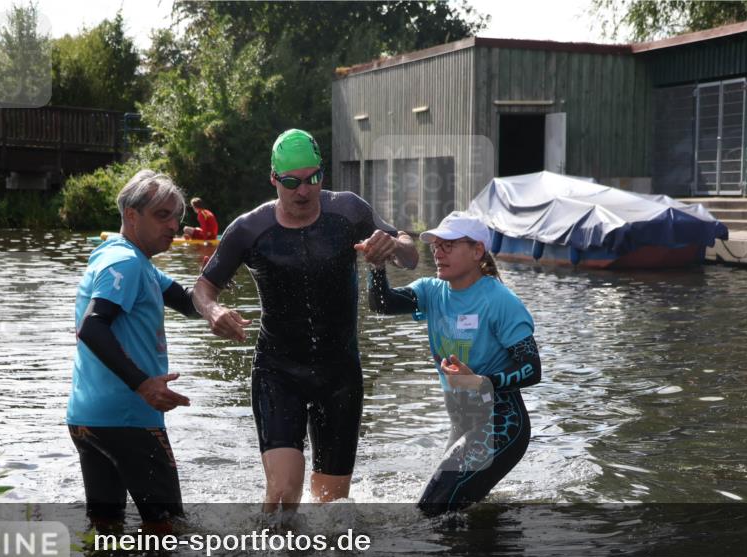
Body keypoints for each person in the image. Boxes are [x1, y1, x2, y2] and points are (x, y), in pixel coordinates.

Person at [192, 128, 419, 513]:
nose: (304, 191)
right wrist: (214, 311)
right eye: (292, 182)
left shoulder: (348, 210)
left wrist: (394, 244)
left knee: (332, 507)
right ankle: (269, 553)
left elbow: (410, 255)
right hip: (278, 372)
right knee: (283, 495)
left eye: (313, 178)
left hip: (340, 374)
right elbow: (202, 288)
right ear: (273, 179)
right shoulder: (249, 229)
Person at [365, 212, 541, 516]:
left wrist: (482, 382)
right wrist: (377, 266)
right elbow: (382, 304)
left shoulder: (500, 301)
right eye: (436, 245)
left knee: (430, 510)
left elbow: (532, 368)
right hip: (463, 421)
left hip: (502, 423)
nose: (438, 252)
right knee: (452, 512)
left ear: (477, 251)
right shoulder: (432, 291)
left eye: (448, 245)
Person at [67, 169, 200, 527]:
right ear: (131, 215)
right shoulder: (125, 262)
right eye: (162, 215)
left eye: (176, 216)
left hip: (87, 418)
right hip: (128, 419)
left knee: (105, 528)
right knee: (168, 529)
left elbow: (188, 302)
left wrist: (222, 273)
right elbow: (92, 327)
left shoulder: (128, 259)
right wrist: (143, 384)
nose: (173, 225)